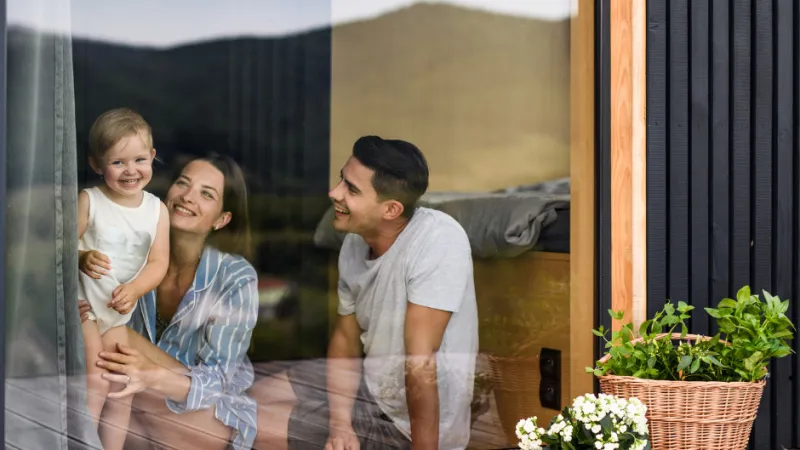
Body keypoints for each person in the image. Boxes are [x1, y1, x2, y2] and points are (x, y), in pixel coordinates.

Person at [252, 135, 479, 450]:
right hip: (369, 388)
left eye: (351, 189)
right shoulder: (355, 242)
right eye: (341, 179)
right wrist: (340, 425)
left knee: (252, 427)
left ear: (391, 209)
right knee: (253, 401)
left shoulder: (438, 240)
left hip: (406, 427)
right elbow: (345, 340)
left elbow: (420, 363)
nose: (334, 193)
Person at [80, 153, 259, 450]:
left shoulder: (235, 277)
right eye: (182, 183)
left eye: (206, 194)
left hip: (206, 414)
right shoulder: (131, 251)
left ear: (222, 219)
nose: (188, 197)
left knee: (117, 340)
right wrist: (81, 307)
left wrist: (150, 374)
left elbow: (217, 384)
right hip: (134, 399)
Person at [78, 107, 170, 450]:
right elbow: (60, 249)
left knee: (122, 386)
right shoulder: (91, 201)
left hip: (117, 312)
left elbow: (159, 263)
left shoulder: (156, 210)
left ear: (153, 157)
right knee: (96, 382)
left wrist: (135, 289)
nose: (131, 170)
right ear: (96, 164)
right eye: (118, 163)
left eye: (140, 159)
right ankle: (82, 444)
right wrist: (81, 256)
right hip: (84, 305)